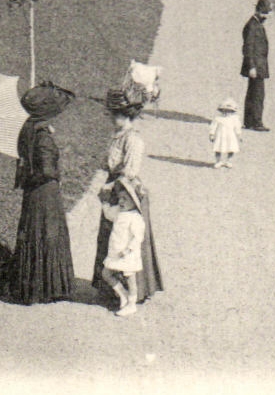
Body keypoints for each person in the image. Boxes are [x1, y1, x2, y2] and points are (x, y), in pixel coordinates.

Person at [92, 86, 163, 307]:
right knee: (110, 237)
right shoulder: (118, 136)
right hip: (114, 189)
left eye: (118, 116)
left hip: (125, 193)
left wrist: (110, 186)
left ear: (127, 116)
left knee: (124, 238)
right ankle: (109, 288)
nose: (114, 120)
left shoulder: (133, 140)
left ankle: (133, 290)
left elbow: (130, 172)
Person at [12, 82, 78, 304]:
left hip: (32, 192)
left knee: (33, 233)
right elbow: (47, 170)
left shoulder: (27, 129)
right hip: (45, 192)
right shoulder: (43, 138)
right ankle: (49, 286)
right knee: (48, 233)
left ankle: (29, 282)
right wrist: (56, 171)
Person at [99, 178, 147, 317]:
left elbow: (138, 237)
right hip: (115, 251)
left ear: (134, 201)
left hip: (128, 254)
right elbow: (108, 214)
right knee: (106, 273)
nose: (121, 202)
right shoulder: (118, 212)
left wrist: (128, 249)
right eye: (120, 198)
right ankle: (123, 294)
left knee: (130, 278)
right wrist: (105, 201)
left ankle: (132, 304)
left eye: (125, 199)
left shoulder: (135, 217)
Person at [241, 0, 272, 131]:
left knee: (252, 93)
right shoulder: (252, 26)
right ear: (258, 10)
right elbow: (248, 48)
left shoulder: (255, 24)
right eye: (264, 13)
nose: (266, 16)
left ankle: (249, 121)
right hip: (256, 66)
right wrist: (252, 66)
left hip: (258, 65)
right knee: (258, 95)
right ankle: (257, 122)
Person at [209, 97, 242, 169]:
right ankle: (218, 161)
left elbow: (237, 127)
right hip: (220, 136)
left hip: (230, 136)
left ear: (232, 111)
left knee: (231, 148)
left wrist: (239, 135)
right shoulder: (218, 118)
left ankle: (229, 161)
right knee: (218, 148)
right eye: (225, 111)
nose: (226, 113)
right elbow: (213, 126)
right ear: (221, 110)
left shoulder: (235, 119)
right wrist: (211, 134)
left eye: (229, 111)